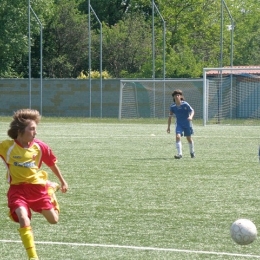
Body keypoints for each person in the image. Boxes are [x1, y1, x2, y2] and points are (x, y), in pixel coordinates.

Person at [0, 109, 68, 260]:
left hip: (38, 189)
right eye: (31, 129)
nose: (35, 133)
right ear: (20, 131)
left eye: (35, 129)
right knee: (24, 218)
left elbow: (51, 163)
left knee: (53, 220)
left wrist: (62, 181)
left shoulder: (39, 146)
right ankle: (33, 257)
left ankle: (50, 189)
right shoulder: (7, 147)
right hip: (17, 190)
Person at [167, 89, 195, 159]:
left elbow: (192, 111)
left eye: (178, 95)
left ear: (180, 96)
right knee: (177, 137)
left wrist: (191, 117)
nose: (177, 96)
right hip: (179, 124)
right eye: (175, 95)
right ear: (173, 97)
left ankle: (192, 152)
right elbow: (170, 117)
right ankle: (180, 154)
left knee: (188, 138)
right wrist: (168, 127)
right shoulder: (172, 106)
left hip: (187, 124)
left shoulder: (185, 104)